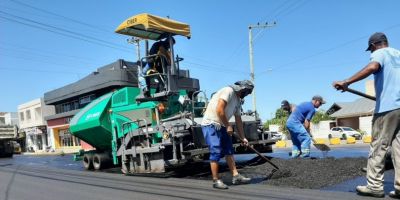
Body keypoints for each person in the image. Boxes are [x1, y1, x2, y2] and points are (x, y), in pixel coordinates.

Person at [333, 32, 400, 198]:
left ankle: (374, 186)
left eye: (370, 49)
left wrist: (347, 82)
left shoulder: (380, 53)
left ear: (373, 45)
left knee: (379, 146)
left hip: (387, 108)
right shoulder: (398, 54)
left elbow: (373, 67)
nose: (371, 53)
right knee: (399, 148)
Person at [201, 80, 254, 189]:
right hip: (211, 123)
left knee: (229, 150)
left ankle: (236, 176)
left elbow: (238, 120)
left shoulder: (238, 101)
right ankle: (216, 180)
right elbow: (219, 110)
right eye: (247, 92)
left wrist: (243, 137)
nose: (247, 94)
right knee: (215, 150)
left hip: (222, 124)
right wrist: (228, 125)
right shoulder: (228, 91)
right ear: (243, 89)